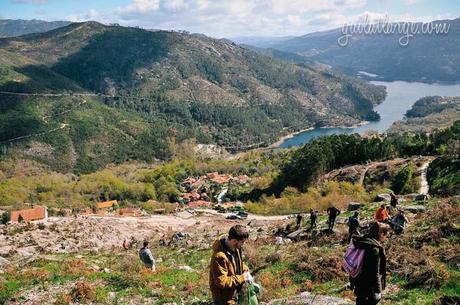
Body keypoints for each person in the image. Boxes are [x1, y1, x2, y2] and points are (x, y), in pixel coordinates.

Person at [209, 224, 252, 305]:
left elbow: (237, 263)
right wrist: (242, 278)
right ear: (235, 241)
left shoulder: (236, 248)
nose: (243, 244)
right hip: (223, 298)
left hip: (234, 293)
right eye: (242, 242)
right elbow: (222, 282)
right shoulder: (219, 256)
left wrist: (245, 270)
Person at [352, 222, 389, 305]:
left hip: (358, 280)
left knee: (360, 301)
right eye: (385, 233)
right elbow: (374, 272)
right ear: (381, 233)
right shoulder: (374, 249)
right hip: (368, 285)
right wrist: (377, 291)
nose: (386, 236)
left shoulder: (364, 241)